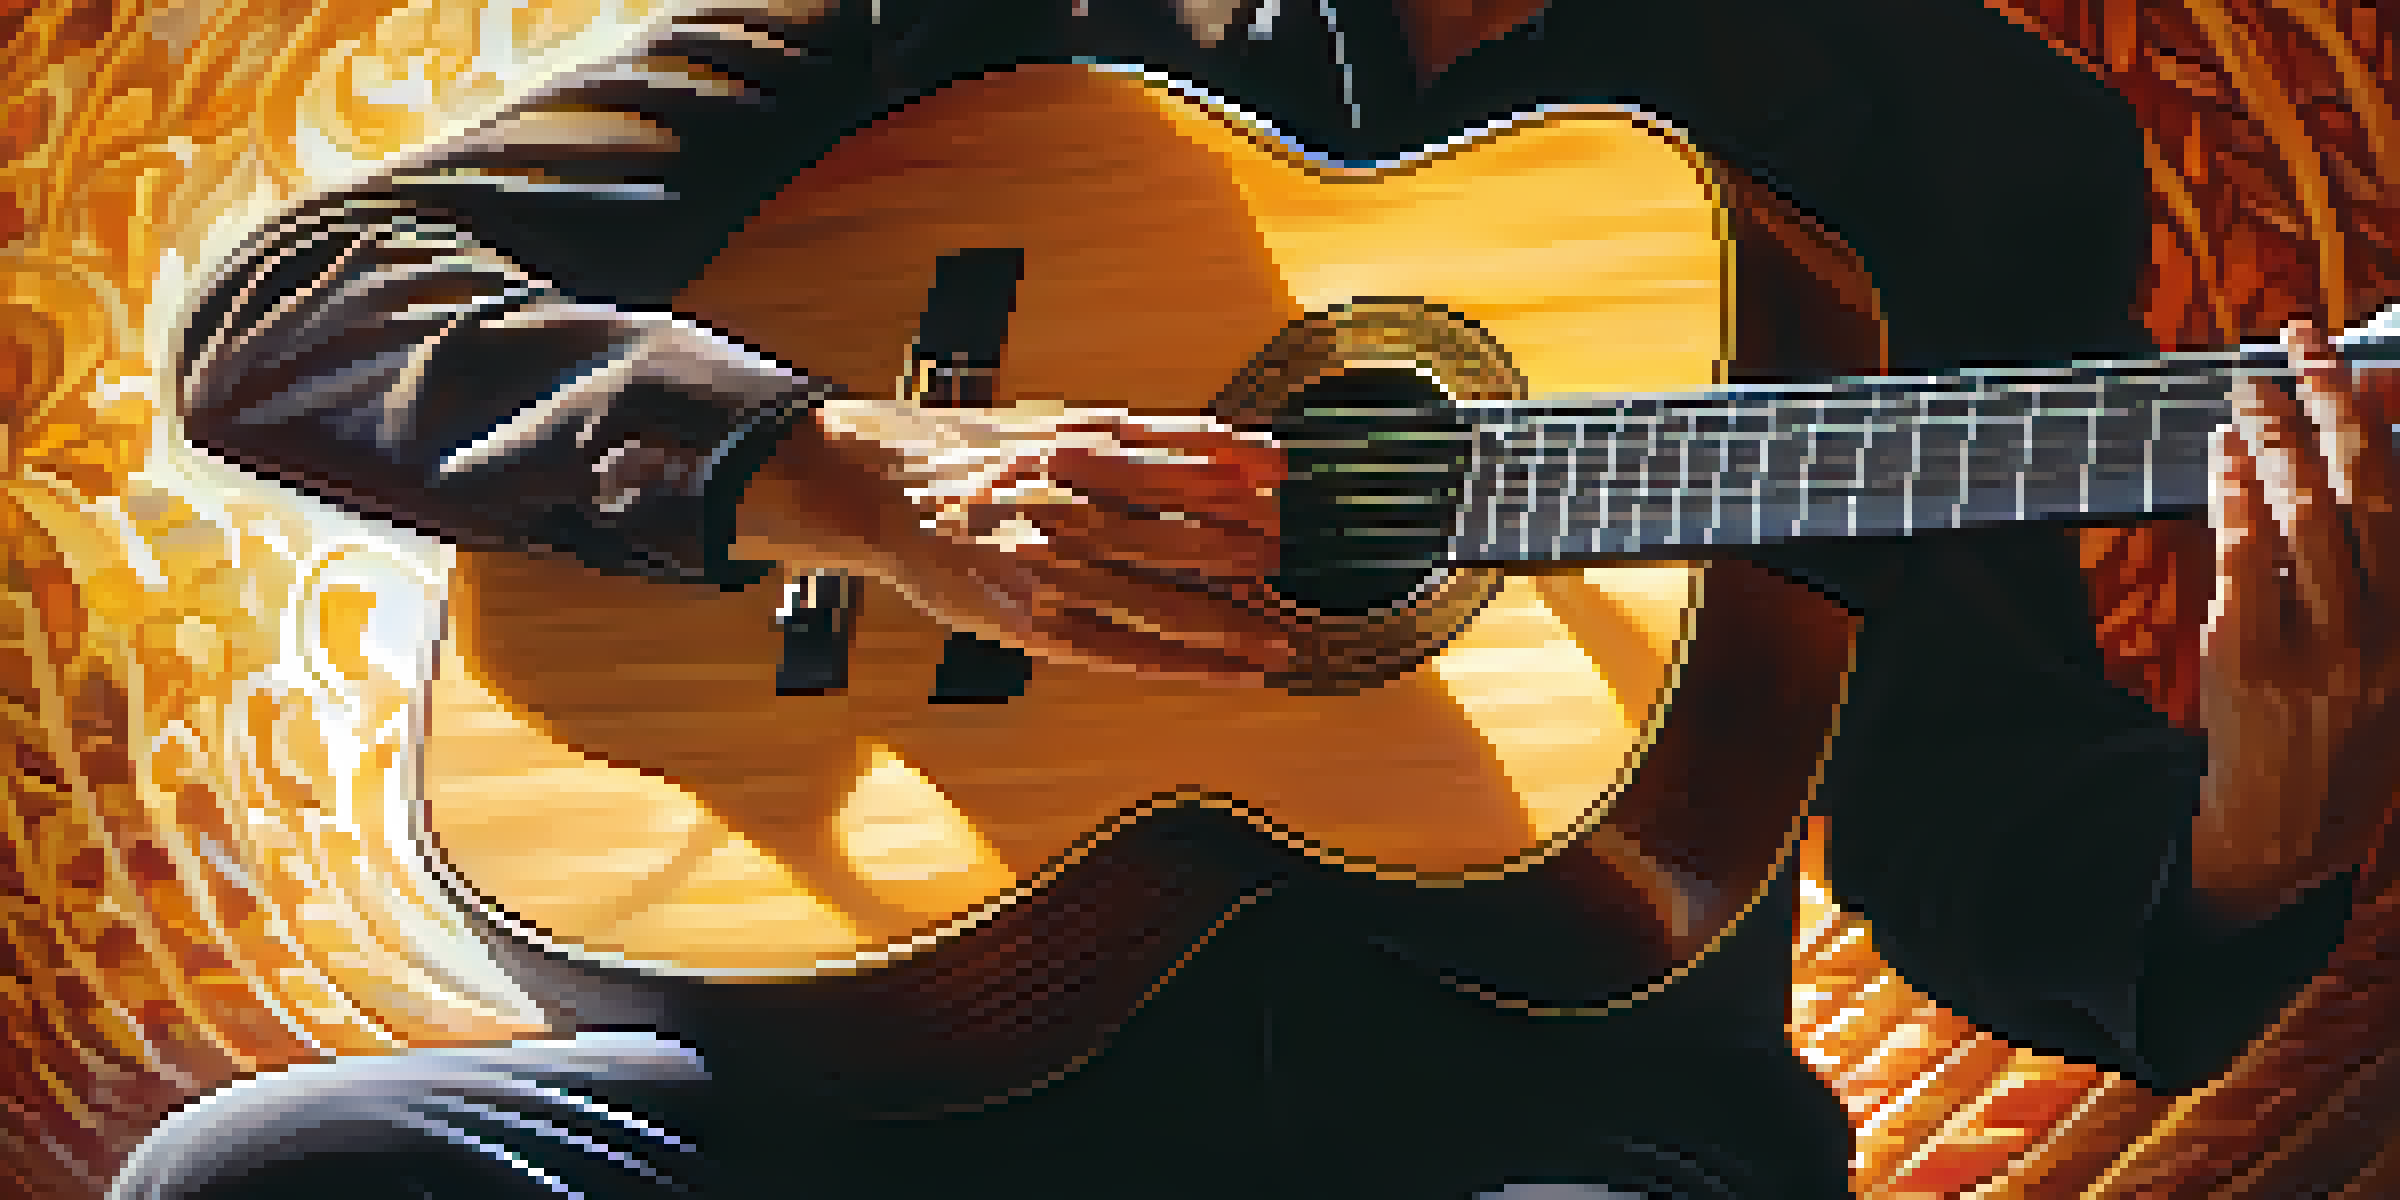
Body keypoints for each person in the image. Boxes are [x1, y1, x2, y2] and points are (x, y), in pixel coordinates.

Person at [120, 1, 2396, 1196]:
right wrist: (853, 473)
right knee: (282, 1174)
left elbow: (1964, 798)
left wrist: (2258, 832)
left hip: (1524, 1132)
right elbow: (300, 314)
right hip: (876, 1110)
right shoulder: (962, 17)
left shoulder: (1946, 129)